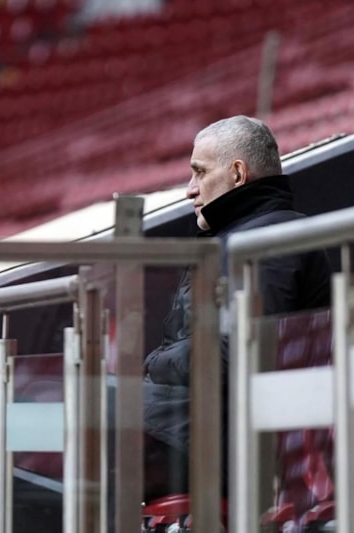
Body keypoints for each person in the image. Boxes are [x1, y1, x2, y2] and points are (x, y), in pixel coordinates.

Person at [141, 115, 333, 500]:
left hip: (220, 439)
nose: (190, 190)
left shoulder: (267, 238)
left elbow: (239, 351)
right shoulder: (242, 236)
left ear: (238, 174)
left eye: (199, 172)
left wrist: (156, 362)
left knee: (71, 422)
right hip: (189, 425)